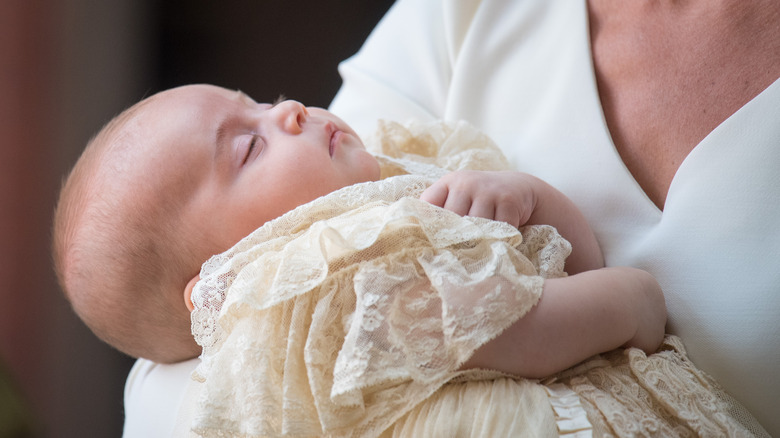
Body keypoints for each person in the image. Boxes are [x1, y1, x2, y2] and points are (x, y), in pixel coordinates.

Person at [55, 84, 762, 437]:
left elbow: (568, 263)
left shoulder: (409, 173)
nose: (292, 110)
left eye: (261, 103)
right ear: (221, 277)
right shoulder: (314, 287)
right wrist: (631, 301)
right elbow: (512, 331)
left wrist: (525, 198)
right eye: (248, 147)